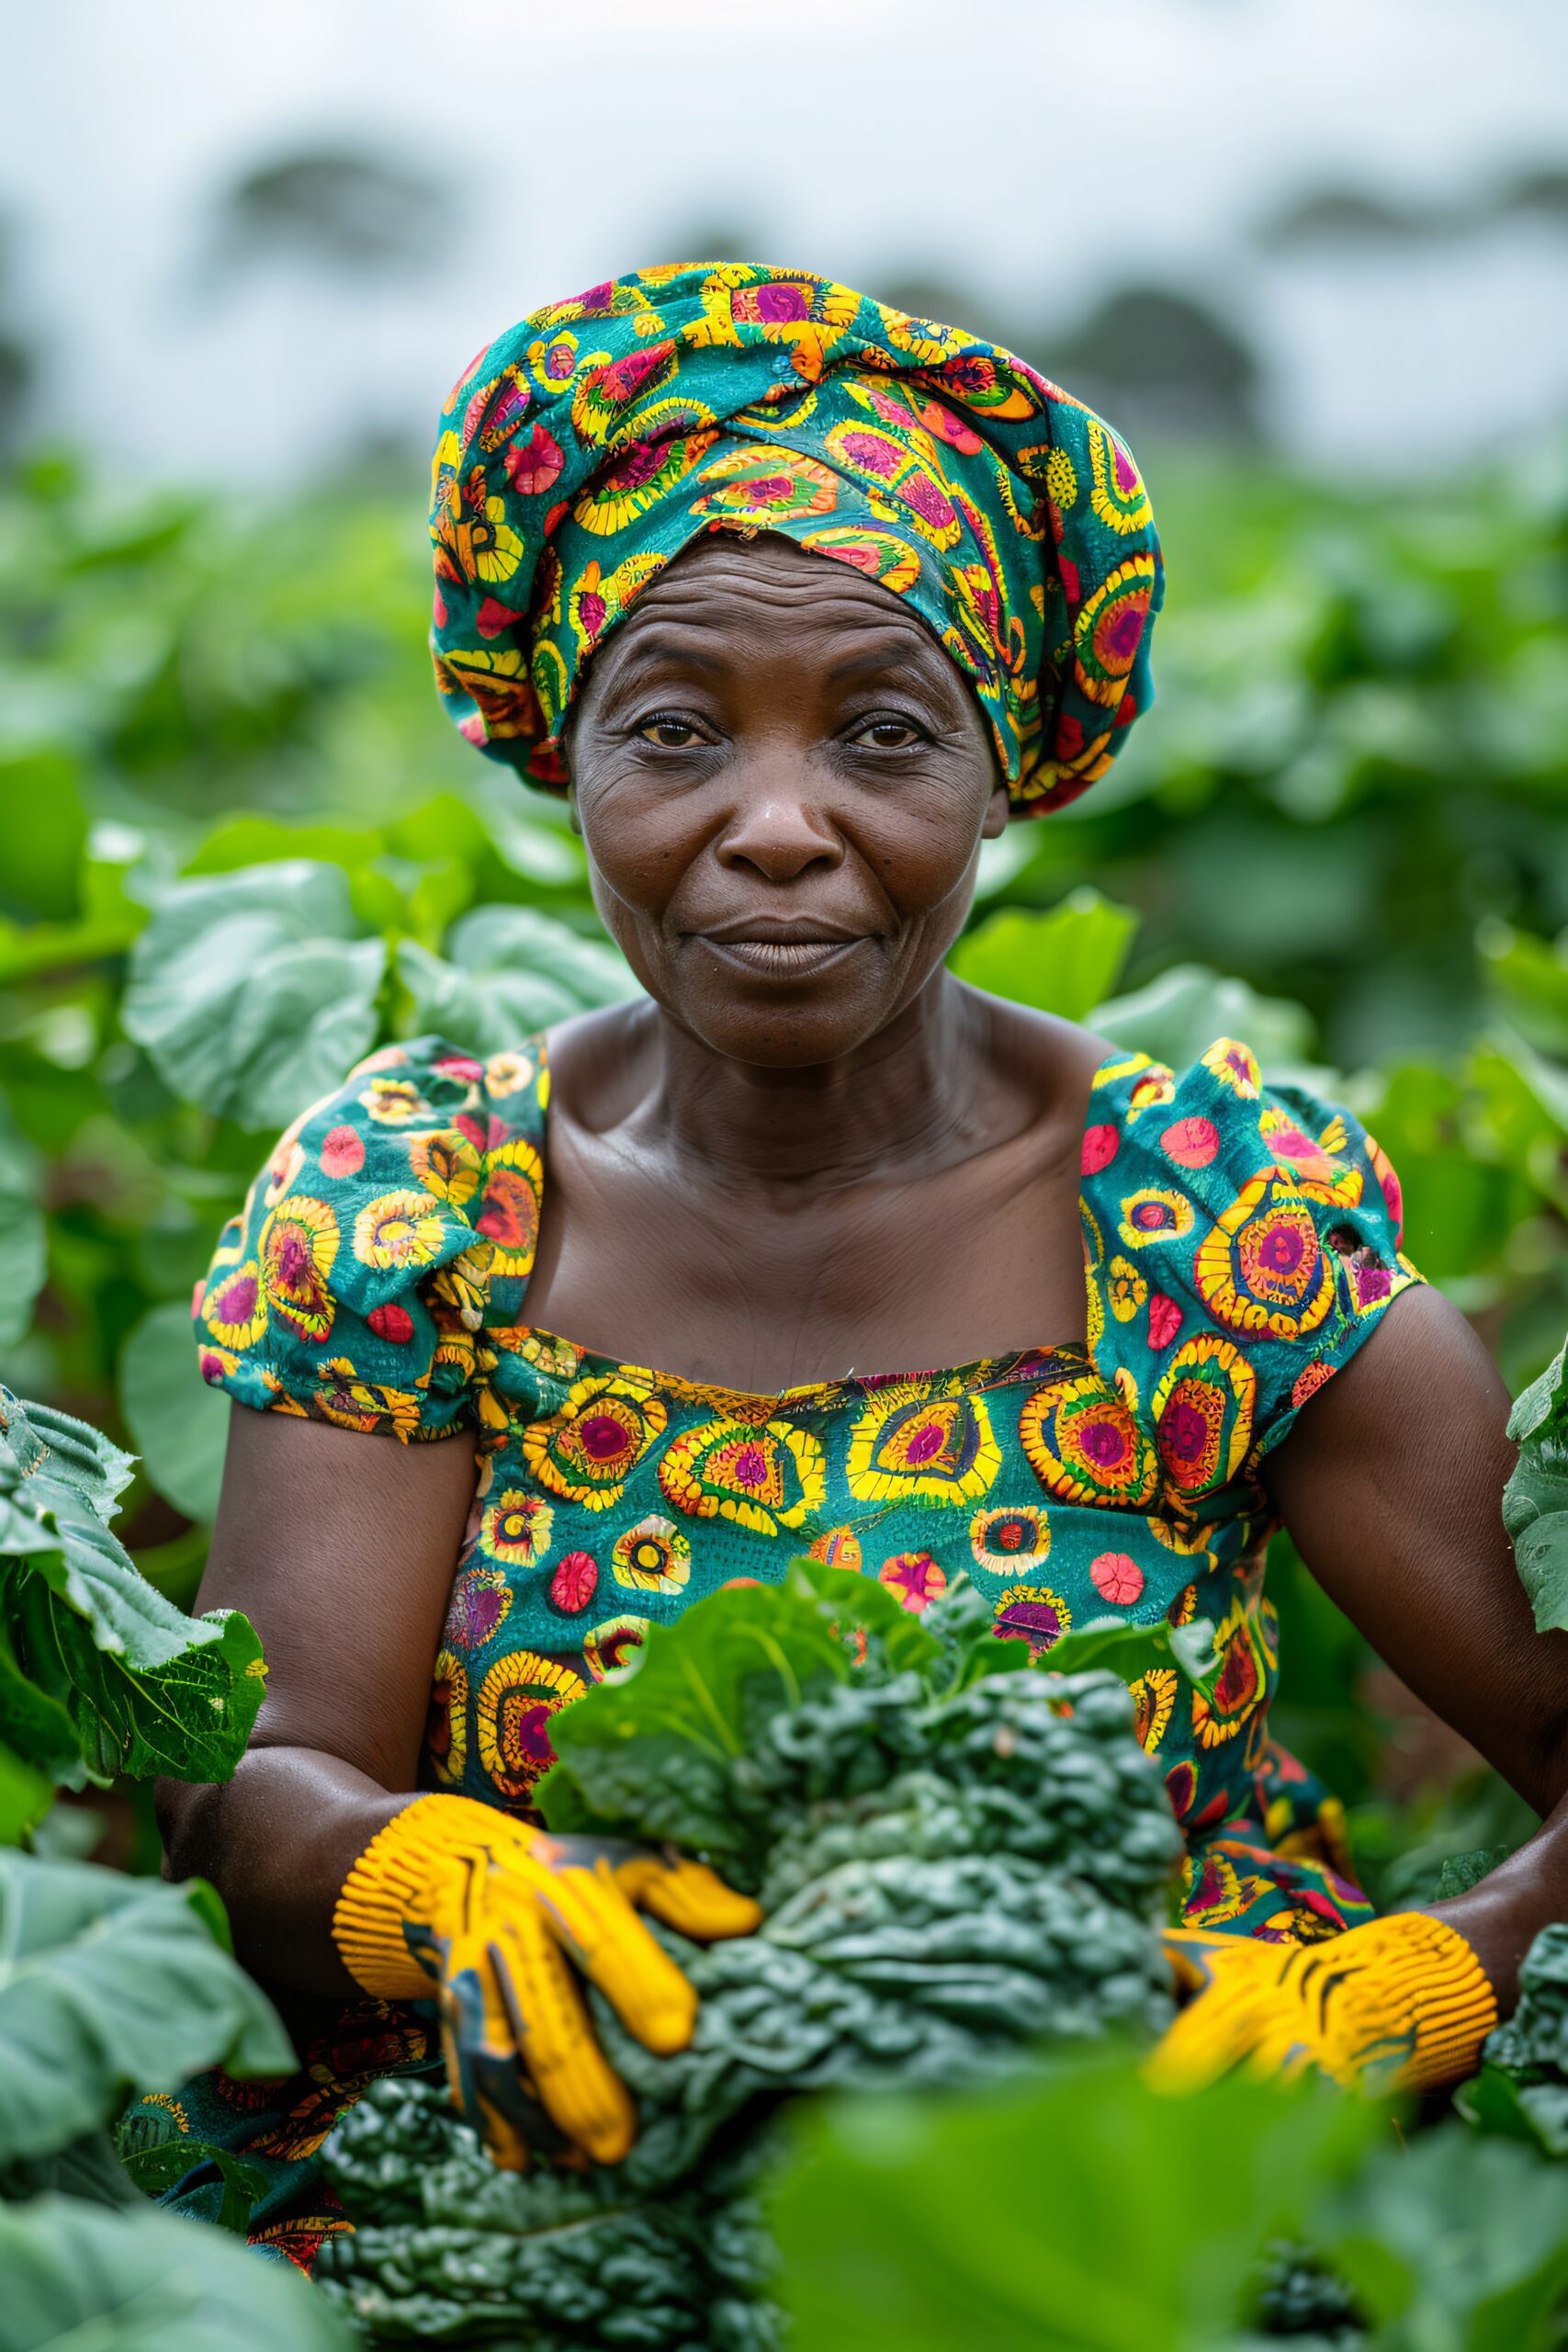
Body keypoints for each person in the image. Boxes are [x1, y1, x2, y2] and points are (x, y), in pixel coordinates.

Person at [152, 263, 1567, 2267]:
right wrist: (434, 1878)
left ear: (1003, 772)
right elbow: (248, 1798)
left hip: (1114, 2178)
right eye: (672, 732)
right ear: (567, 759)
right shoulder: (416, 1206)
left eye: (883, 735)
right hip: (525, 2177)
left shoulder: (1192, 1215)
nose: (777, 825)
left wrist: (1434, 1966)